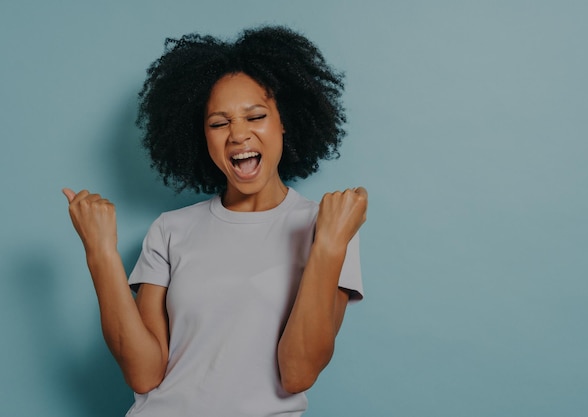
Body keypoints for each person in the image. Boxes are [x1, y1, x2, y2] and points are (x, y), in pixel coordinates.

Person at [63, 25, 367, 416]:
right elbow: (144, 375)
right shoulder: (170, 230)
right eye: (219, 123)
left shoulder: (330, 226)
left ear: (284, 121)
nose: (238, 135)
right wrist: (100, 252)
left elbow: (298, 373)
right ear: (201, 136)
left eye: (255, 116)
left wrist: (328, 245)